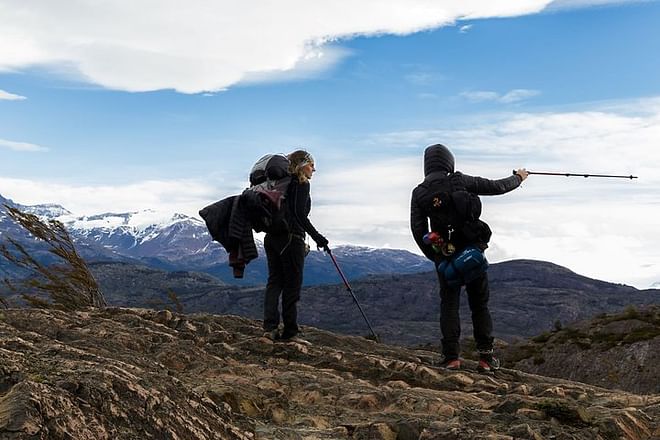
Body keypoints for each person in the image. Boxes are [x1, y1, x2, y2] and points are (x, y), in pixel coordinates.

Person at [410, 144, 529, 372]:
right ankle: (486, 358)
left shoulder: (420, 192)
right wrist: (519, 178)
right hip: (472, 253)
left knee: (449, 305)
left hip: (445, 254)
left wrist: (438, 258)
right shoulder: (460, 180)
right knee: (479, 305)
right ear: (449, 162)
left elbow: (418, 230)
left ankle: (451, 357)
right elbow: (499, 187)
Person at [263, 149, 329, 342]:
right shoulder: (301, 184)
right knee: (292, 286)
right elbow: (300, 215)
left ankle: (270, 328)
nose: (313, 169)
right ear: (302, 165)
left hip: (271, 238)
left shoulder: (278, 184)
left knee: (274, 282)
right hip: (291, 239)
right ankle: (290, 332)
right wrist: (318, 238)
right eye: (311, 164)